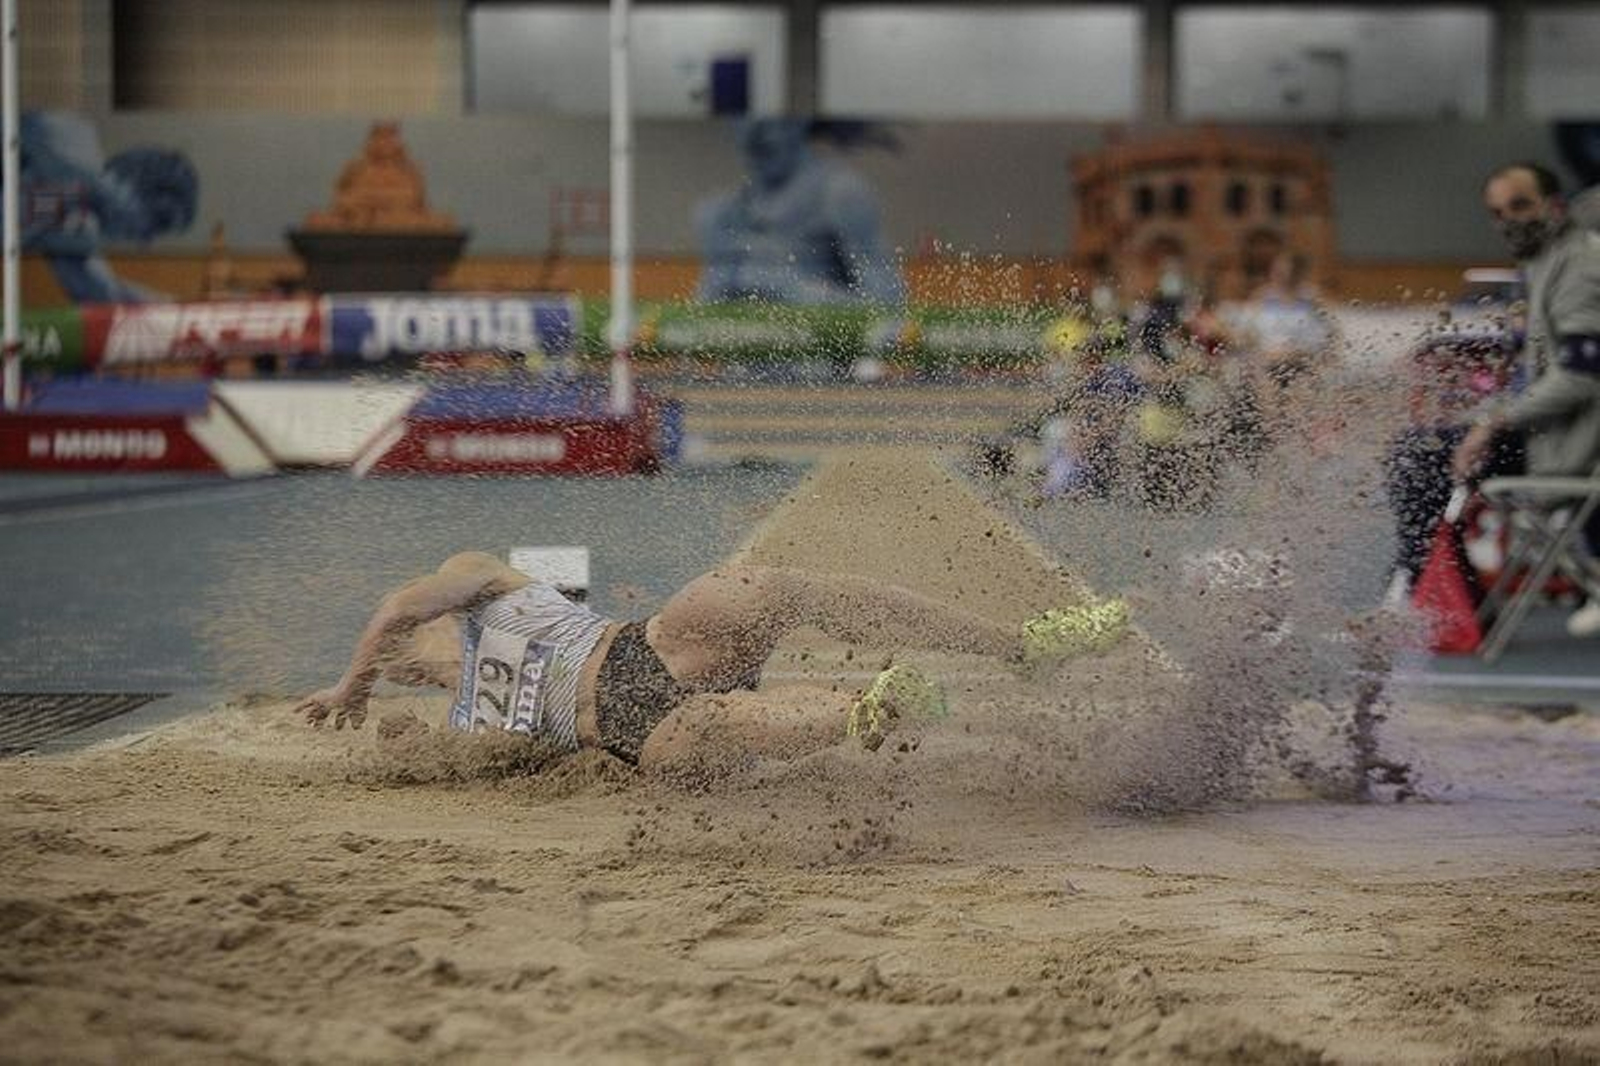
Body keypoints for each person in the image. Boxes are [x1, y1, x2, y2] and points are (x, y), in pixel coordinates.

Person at [298, 552, 1128, 766]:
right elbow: (495, 762)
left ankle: (1020, 647)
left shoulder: (476, 580)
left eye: (412, 647)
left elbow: (395, 611)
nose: (413, 648)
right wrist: (395, 710)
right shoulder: (456, 713)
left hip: (646, 643)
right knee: (712, 723)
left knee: (759, 587)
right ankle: (865, 708)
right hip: (623, 727)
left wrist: (350, 688)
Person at [1452, 162, 1600, 637]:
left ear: (1554, 206)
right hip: (1543, 434)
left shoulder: (1579, 266)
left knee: (1420, 461)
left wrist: (1492, 422)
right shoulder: (1540, 263)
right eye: (1497, 212)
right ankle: (1454, 605)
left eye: (1519, 206)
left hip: (1569, 448)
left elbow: (1580, 379)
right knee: (1420, 448)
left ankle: (1441, 610)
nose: (1507, 221)